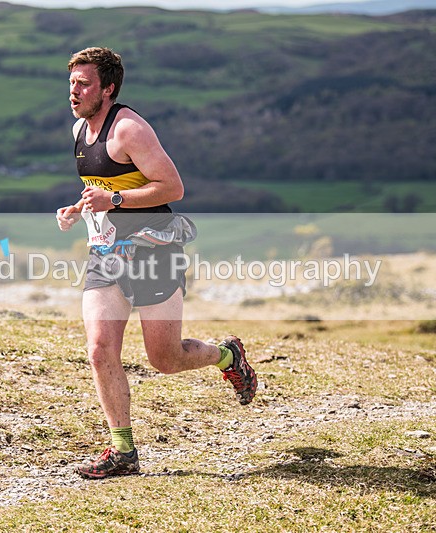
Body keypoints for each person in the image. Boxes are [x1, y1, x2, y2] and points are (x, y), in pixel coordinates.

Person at [56, 47, 257, 479]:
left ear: (108, 89)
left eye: (84, 84)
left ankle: (227, 356)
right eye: (72, 83)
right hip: (107, 254)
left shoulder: (129, 130)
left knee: (165, 358)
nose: (74, 92)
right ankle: (122, 451)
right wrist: (79, 209)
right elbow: (102, 187)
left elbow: (172, 188)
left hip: (155, 252)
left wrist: (114, 199)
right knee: (99, 349)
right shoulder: (79, 130)